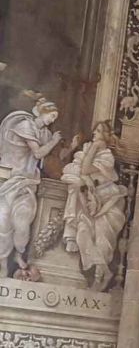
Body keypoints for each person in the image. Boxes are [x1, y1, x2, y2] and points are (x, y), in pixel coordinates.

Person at [60, 121, 128, 291]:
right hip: (90, 200)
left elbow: (85, 169)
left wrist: (94, 147)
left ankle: (100, 276)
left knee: (102, 240)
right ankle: (104, 271)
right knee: (82, 233)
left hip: (108, 201)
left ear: (106, 136)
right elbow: (80, 171)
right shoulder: (89, 150)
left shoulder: (107, 157)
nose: (94, 134)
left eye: (98, 131)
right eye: (95, 131)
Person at [0, 98, 62, 276]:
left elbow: (51, 158)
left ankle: (18, 254)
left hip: (28, 183)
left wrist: (70, 148)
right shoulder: (25, 125)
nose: (52, 120)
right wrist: (54, 142)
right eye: (51, 115)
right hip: (9, 180)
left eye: (54, 118)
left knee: (22, 223)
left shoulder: (46, 135)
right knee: (3, 224)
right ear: (42, 112)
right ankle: (2, 263)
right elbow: (38, 153)